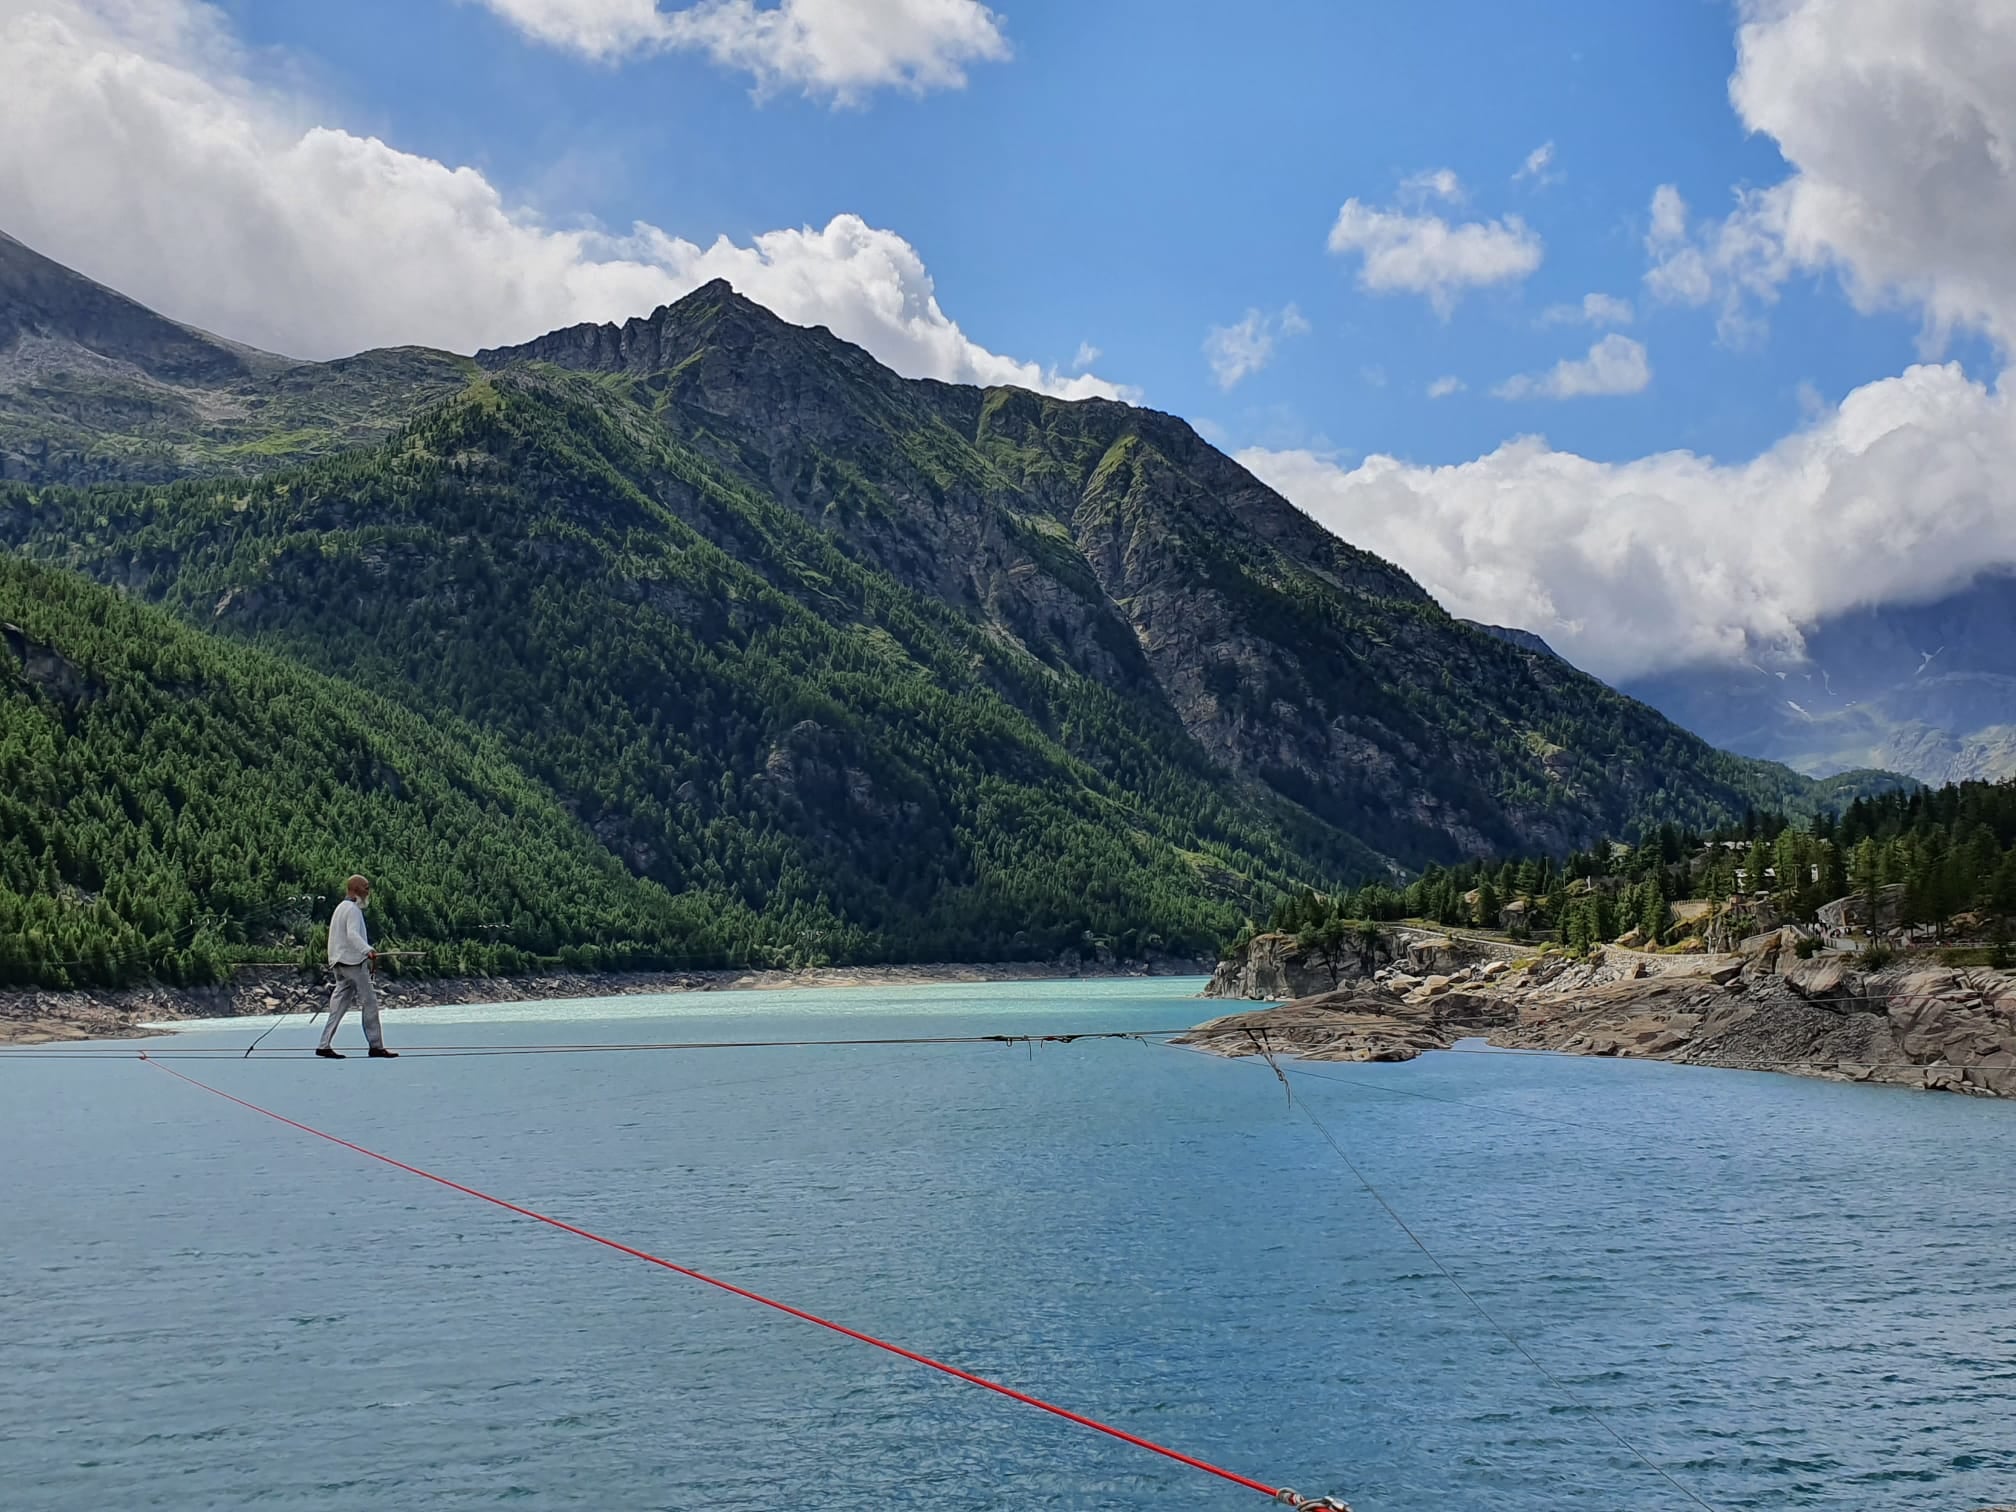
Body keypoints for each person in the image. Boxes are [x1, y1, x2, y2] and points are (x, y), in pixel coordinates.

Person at [318, 875, 396, 1059]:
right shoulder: (353, 910)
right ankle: (376, 1046)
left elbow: (336, 938)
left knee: (338, 1006)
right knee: (370, 1002)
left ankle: (323, 1044)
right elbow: (352, 934)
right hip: (352, 963)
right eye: (366, 888)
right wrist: (367, 950)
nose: (368, 891)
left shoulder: (340, 908)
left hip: (338, 963)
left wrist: (334, 959)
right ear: (356, 889)